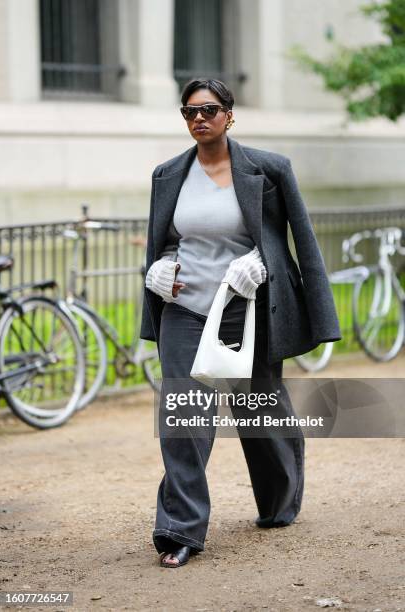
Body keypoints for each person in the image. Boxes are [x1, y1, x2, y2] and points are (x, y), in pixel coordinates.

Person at [140, 78, 341, 568]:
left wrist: (263, 263)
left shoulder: (269, 169)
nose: (199, 119)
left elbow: (298, 239)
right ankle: (179, 529)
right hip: (185, 310)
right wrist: (158, 269)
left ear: (230, 114)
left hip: (247, 307)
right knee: (185, 417)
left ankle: (278, 502)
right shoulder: (168, 174)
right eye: (189, 112)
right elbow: (163, 241)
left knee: (258, 412)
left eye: (208, 110)